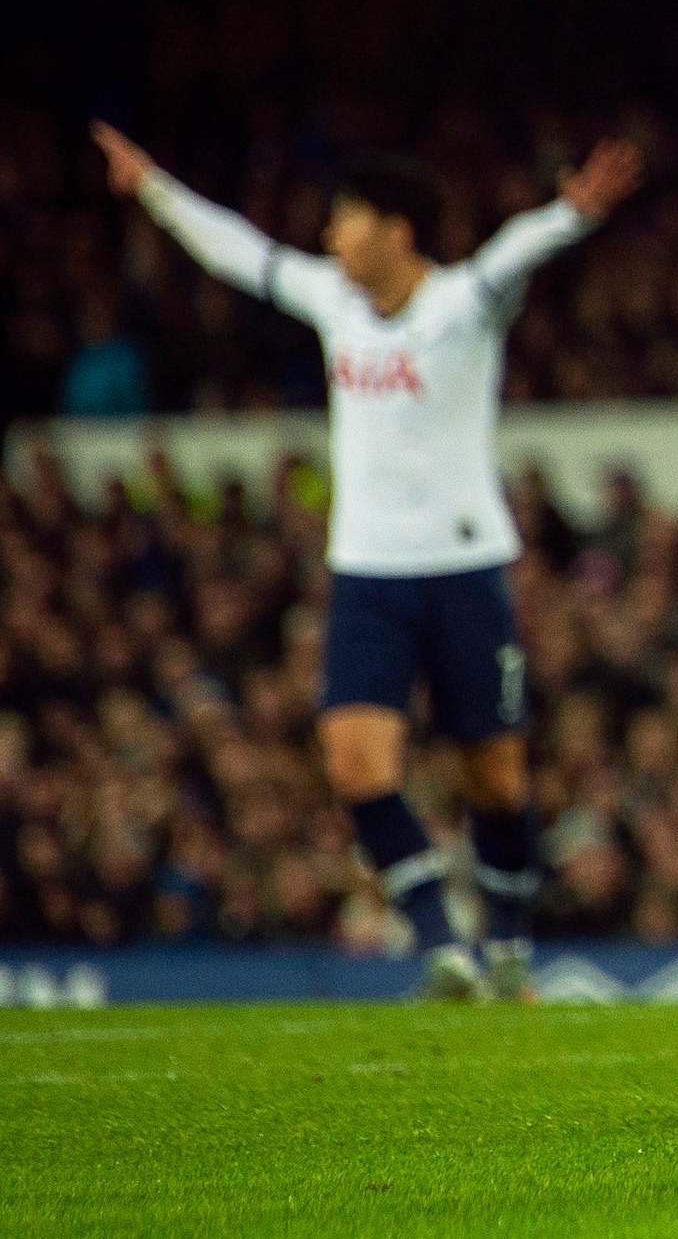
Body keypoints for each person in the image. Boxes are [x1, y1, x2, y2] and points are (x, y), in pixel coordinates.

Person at [90, 121, 644, 999]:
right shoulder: (333, 302)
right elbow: (242, 253)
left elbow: (508, 260)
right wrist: (154, 188)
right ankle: (441, 946)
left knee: (495, 779)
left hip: (466, 570)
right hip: (367, 575)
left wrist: (568, 217)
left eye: (345, 220)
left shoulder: (460, 305)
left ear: (397, 231)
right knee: (353, 765)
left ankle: (505, 945)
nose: (328, 237)